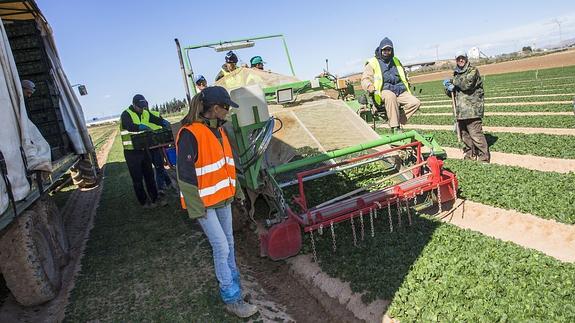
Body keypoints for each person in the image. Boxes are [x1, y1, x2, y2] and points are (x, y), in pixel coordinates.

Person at [176, 86, 258, 318]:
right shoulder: (190, 134)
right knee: (221, 247)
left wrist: (237, 192)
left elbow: (227, 166)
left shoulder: (219, 131)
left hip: (223, 199)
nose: (228, 112)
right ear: (215, 108)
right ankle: (231, 298)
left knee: (229, 244)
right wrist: (195, 208)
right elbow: (185, 174)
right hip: (204, 204)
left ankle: (237, 290)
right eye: (226, 108)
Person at [361, 37, 420, 133]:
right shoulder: (373, 63)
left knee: (415, 102)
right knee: (390, 96)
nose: (386, 52)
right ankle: (395, 127)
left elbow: (404, 74)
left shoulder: (396, 61)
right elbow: (365, 79)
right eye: (384, 49)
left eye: (388, 50)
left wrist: (407, 82)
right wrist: (370, 87)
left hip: (399, 90)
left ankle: (395, 120)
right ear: (380, 50)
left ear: (392, 51)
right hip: (382, 91)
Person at [120, 94, 168, 208]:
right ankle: (144, 202)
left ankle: (155, 199)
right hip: (131, 152)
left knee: (150, 175)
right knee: (137, 179)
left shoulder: (145, 112)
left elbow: (155, 119)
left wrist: (164, 122)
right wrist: (141, 127)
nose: (142, 110)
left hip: (144, 149)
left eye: (144, 107)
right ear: (134, 105)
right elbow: (129, 126)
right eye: (140, 107)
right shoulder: (126, 114)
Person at [443, 51, 490, 162]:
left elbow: (466, 84)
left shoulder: (472, 70)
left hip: (471, 109)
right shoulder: (456, 73)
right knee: (465, 135)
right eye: (459, 58)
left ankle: (484, 157)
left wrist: (452, 81)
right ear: (456, 60)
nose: (461, 60)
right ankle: (470, 154)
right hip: (460, 111)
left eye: (462, 58)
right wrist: (447, 88)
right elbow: (453, 93)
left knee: (475, 134)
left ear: (466, 58)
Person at [143, 107, 174, 194]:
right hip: (149, 145)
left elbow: (164, 123)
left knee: (158, 166)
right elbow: (164, 124)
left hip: (156, 144)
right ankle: (167, 183)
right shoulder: (142, 116)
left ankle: (162, 187)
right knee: (159, 167)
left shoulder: (152, 114)